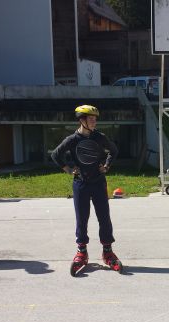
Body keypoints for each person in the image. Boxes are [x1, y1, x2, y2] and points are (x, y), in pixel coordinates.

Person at [50, 105, 122, 276]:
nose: (94, 122)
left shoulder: (99, 137)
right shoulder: (72, 139)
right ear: (82, 120)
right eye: (91, 119)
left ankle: (107, 252)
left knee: (104, 218)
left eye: (95, 119)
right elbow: (56, 154)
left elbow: (114, 150)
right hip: (81, 184)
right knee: (82, 219)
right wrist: (68, 169)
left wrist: (106, 166)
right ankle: (82, 252)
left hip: (98, 183)